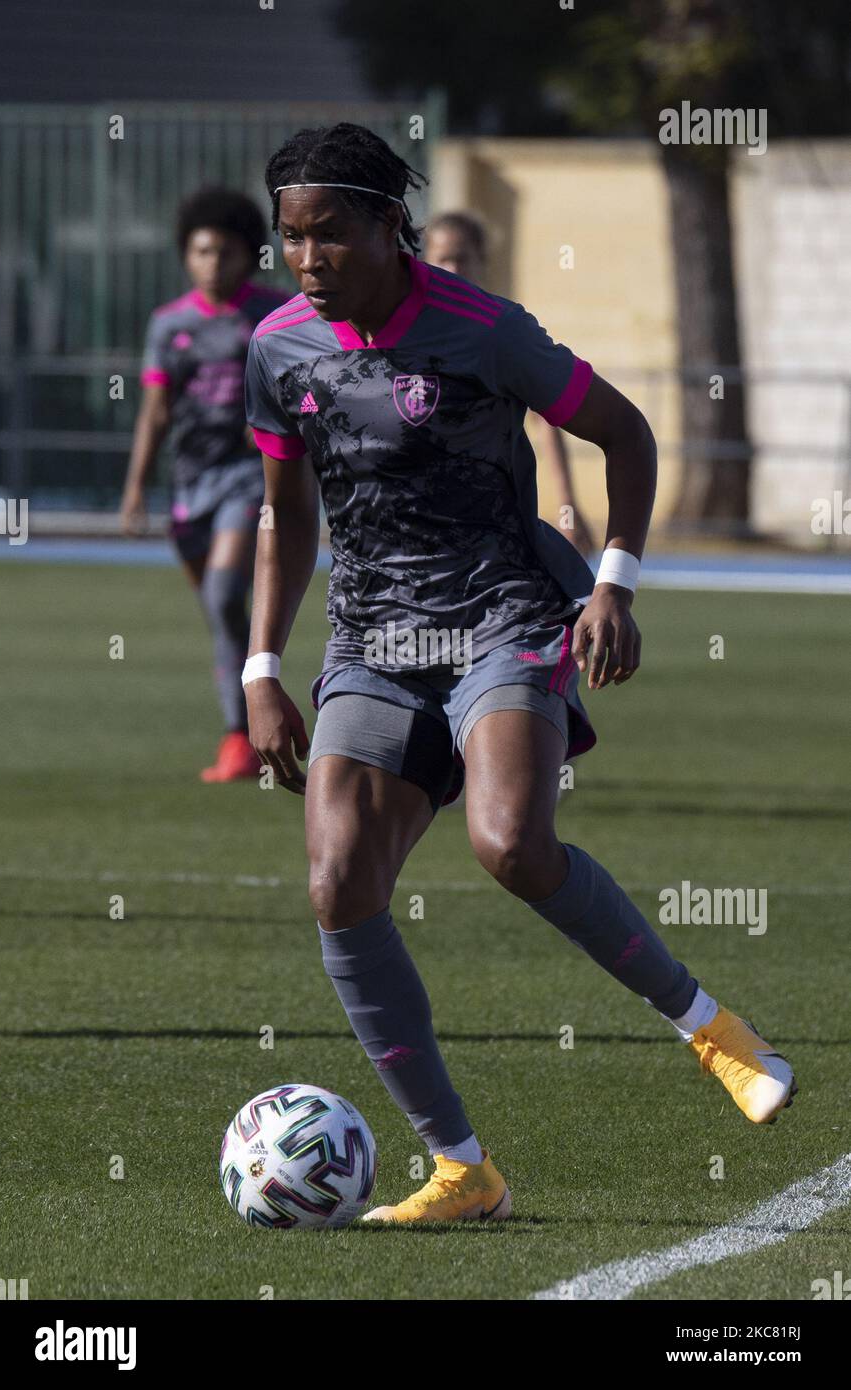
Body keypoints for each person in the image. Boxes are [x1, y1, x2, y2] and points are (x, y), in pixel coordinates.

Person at [242, 123, 796, 1225]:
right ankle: (461, 1170)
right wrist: (262, 663)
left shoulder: (482, 330)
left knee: (509, 842)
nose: (308, 259)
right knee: (337, 884)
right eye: (291, 239)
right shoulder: (275, 350)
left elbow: (624, 433)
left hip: (501, 615)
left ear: (389, 224)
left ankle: (713, 1032)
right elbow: (285, 514)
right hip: (371, 639)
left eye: (331, 234)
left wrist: (613, 586)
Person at [121, 187, 290, 781]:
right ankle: (256, 714)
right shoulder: (170, 324)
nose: (213, 264)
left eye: (225, 252)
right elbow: (156, 410)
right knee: (223, 615)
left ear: (249, 255)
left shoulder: (272, 314)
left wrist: (276, 423)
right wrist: (136, 486)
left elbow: (305, 386)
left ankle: (238, 737)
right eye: (201, 252)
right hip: (188, 484)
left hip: (249, 480)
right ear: (185, 256)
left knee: (223, 596)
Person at [424, 210, 595, 560]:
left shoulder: (500, 333)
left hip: (494, 525)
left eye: (462, 259)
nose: (454, 269)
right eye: (444, 259)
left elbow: (546, 419)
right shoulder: (406, 333)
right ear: (425, 260)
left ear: (481, 261)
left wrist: (568, 503)